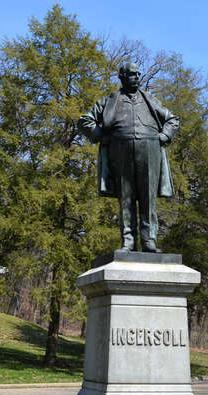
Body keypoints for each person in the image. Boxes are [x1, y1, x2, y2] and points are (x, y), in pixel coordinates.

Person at [79, 62, 179, 253]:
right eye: (132, 74)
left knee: (148, 197)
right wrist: (102, 136)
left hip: (150, 150)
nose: (136, 77)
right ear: (122, 77)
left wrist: (165, 135)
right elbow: (85, 120)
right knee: (126, 198)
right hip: (120, 151)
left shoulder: (149, 99)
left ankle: (149, 241)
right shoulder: (110, 100)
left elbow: (172, 120)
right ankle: (128, 241)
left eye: (138, 74)